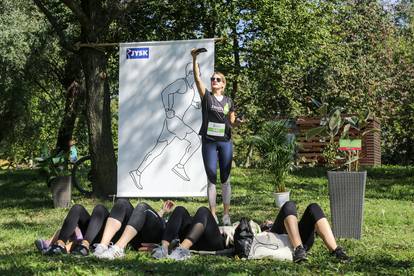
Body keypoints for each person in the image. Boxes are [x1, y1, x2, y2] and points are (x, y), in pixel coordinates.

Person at [191, 48, 243, 226]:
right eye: (212, 79)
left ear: (223, 84)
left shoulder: (229, 101)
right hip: (209, 142)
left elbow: (232, 121)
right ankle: (213, 214)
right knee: (211, 177)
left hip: (225, 142)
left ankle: (226, 214)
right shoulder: (207, 97)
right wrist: (194, 58)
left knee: (225, 178)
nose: (213, 81)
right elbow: (197, 79)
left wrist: (237, 123)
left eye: (217, 79)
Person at [129, 63, 201, 190]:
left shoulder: (191, 89)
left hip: (173, 123)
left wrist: (196, 104)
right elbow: (165, 92)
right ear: (190, 74)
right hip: (174, 121)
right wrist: (168, 109)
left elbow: (185, 101)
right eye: (197, 73)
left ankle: (137, 172)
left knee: (157, 150)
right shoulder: (181, 83)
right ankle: (179, 166)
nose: (199, 76)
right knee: (195, 140)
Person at [263, 201, 350, 263]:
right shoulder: (264, 227)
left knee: (313, 207)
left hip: (301, 240)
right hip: (279, 238)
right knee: (289, 205)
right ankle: (298, 250)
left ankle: (336, 251)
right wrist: (265, 226)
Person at [93, 199, 175, 260]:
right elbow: (153, 218)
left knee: (142, 206)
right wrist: (163, 211)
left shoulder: (179, 216)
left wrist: (163, 246)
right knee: (122, 202)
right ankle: (102, 246)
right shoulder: (159, 216)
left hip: (155, 236)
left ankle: (118, 249)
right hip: (135, 235)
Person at [151, 205, 228, 260]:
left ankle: (181, 249)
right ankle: (164, 248)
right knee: (179, 209)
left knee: (203, 210)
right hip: (193, 242)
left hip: (212, 242)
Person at [43, 204, 110, 255]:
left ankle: (84, 246)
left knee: (100, 209)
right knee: (77, 208)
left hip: (107, 236)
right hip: (92, 231)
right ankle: (59, 245)